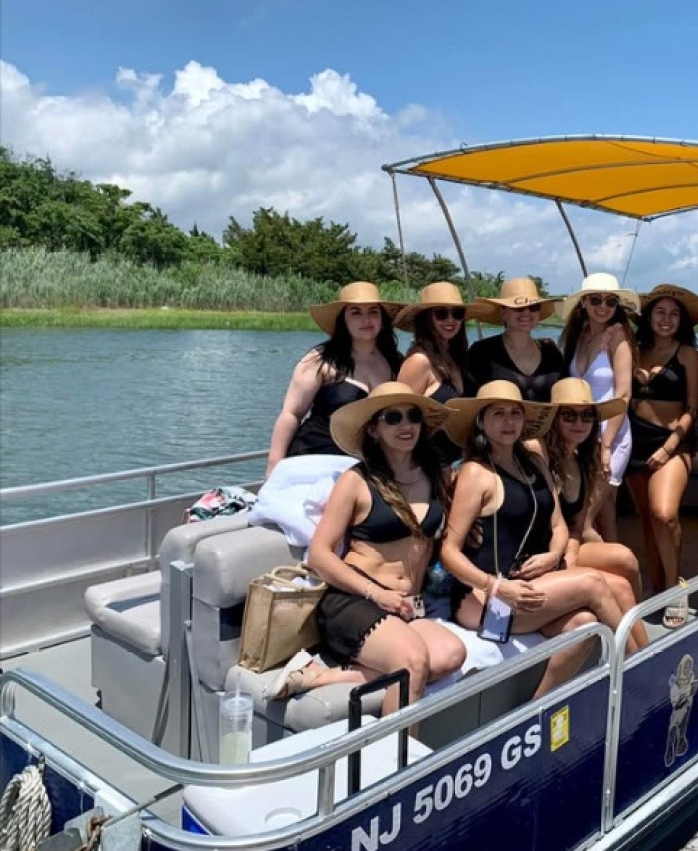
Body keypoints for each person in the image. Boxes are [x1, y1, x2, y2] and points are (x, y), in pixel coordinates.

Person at [270, 382, 466, 715]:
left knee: (451, 654)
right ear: (374, 429)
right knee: (413, 662)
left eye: (413, 416)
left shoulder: (435, 476)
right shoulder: (356, 481)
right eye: (393, 417)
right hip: (355, 601)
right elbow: (320, 554)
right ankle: (396, 759)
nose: (406, 426)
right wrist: (378, 594)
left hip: (407, 606)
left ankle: (320, 676)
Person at [440, 381, 634, 697]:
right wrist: (496, 586)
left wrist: (552, 555)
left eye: (515, 413)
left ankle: (538, 707)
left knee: (584, 623)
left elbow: (559, 527)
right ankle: (642, 668)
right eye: (498, 414)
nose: (508, 422)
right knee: (594, 584)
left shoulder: (534, 463)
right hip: (485, 599)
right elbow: (449, 551)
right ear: (482, 421)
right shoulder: (476, 473)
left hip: (529, 583)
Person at [540, 378, 648, 646]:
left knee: (626, 559)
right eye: (569, 415)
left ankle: (644, 648)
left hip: (567, 545)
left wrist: (573, 552)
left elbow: (577, 525)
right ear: (553, 418)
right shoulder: (538, 455)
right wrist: (565, 554)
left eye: (587, 416)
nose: (579, 423)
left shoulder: (582, 460)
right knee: (618, 586)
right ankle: (640, 659)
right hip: (541, 550)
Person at [266, 282, 405, 476]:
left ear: (382, 318)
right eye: (355, 312)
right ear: (343, 320)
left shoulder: (396, 362)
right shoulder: (320, 359)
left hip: (368, 465)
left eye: (373, 311)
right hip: (315, 457)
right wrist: (274, 466)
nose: (366, 319)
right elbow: (292, 414)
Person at [624, 285, 698, 597]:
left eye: (674, 314)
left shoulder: (688, 355)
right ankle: (657, 586)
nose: (667, 319)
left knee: (664, 513)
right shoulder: (634, 350)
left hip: (674, 443)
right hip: (634, 441)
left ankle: (675, 587)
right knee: (647, 520)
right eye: (660, 311)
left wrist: (669, 446)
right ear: (648, 316)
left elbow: (694, 409)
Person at [558, 273, 639, 542]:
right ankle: (619, 574)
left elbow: (624, 394)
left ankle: (611, 575)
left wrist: (605, 445)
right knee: (605, 512)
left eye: (611, 301)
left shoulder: (619, 338)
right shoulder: (577, 336)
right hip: (580, 433)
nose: (603, 306)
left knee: (584, 520)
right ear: (583, 303)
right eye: (596, 300)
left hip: (610, 435)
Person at [396, 282, 488, 469]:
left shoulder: (457, 358)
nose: (450, 319)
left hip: (462, 462)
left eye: (457, 313)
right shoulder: (419, 361)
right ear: (426, 318)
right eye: (441, 313)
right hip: (429, 465)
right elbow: (397, 420)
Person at [466, 277, 565, 403]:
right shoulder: (481, 352)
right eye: (518, 308)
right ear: (503, 313)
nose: (526, 313)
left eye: (533, 307)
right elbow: (470, 399)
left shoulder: (551, 351)